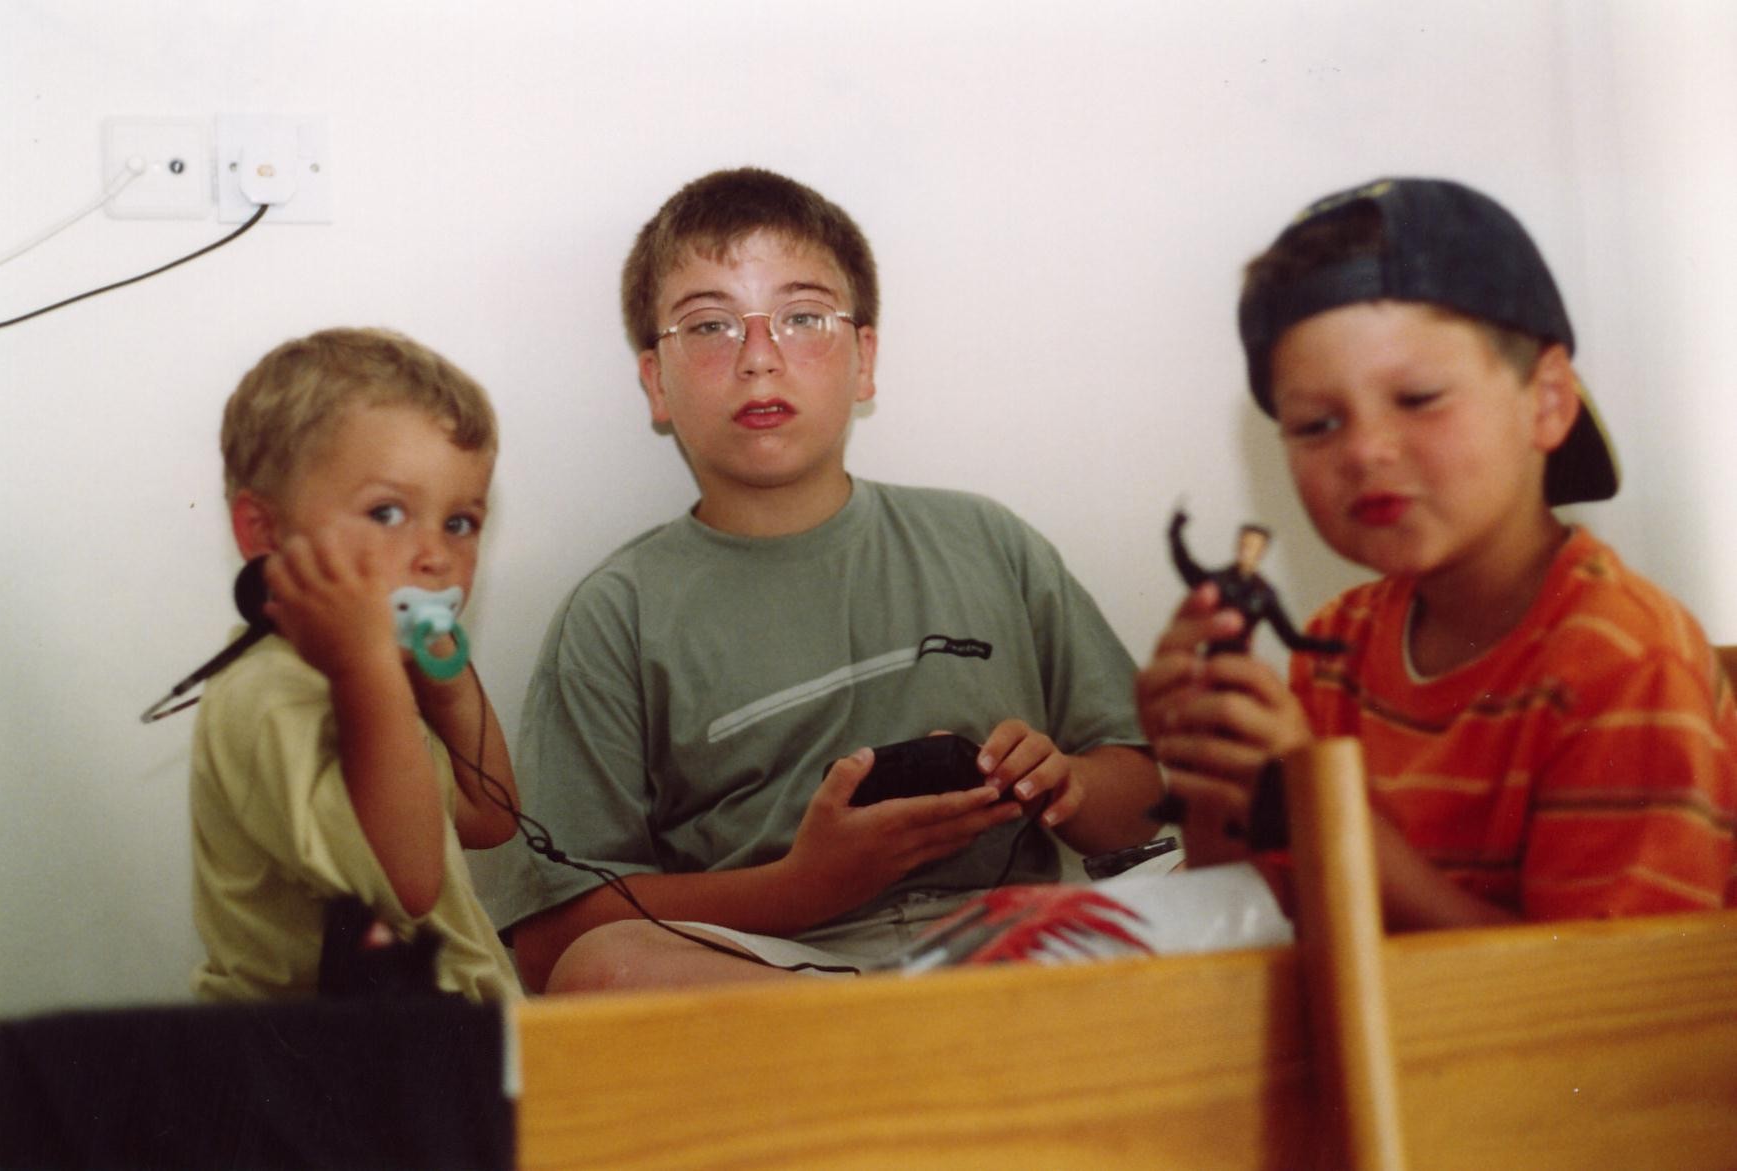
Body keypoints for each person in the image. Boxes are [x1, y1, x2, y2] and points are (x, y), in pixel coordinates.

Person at [490, 167, 1163, 992]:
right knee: (607, 967)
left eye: (803, 317)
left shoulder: (986, 540)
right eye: (710, 326)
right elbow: (552, 938)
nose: (759, 360)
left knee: (1232, 889)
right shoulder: (616, 614)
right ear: (657, 382)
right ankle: (897, 1045)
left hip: (1008, 947)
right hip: (777, 980)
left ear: (864, 359)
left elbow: (1146, 802)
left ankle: (918, 1045)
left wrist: (1068, 783)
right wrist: (801, 887)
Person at [1138, 177, 1737, 928]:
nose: (1365, 450)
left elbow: (1595, 991)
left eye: (1419, 398)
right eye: (1317, 424)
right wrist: (1210, 769)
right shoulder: (1335, 646)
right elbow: (1263, 921)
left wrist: (1320, 802)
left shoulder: (1625, 661)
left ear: (1548, 401)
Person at [189, 326, 522, 1000]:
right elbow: (407, 883)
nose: (435, 556)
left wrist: (445, 679)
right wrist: (369, 667)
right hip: (324, 1056)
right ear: (265, 532)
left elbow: (489, 815)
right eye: (388, 512)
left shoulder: (370, 683)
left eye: (459, 522)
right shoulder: (271, 697)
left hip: (441, 1035)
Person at [1167, 508, 1345, 657]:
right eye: (1243, 545)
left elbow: (1290, 638)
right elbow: (1188, 568)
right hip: (1211, 657)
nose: (1246, 551)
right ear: (1237, 546)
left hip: (1241, 659)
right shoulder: (1218, 580)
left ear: (1261, 552)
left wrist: (1332, 646)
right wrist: (1175, 533)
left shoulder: (1264, 593)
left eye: (1253, 547)